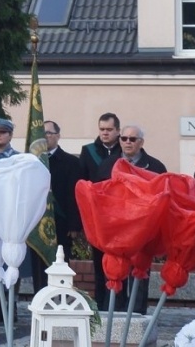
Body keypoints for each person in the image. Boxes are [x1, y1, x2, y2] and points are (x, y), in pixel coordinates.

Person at [95, 126, 165, 316]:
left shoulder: (156, 167)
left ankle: (138, 313)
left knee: (139, 273)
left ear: (141, 142)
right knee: (116, 272)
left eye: (132, 139)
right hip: (117, 230)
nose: (127, 142)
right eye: (124, 138)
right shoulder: (108, 165)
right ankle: (115, 314)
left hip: (143, 230)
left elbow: (163, 198)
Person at [33, 120, 83, 295]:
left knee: (61, 262)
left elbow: (74, 195)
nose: (45, 137)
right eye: (42, 133)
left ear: (58, 136)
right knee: (38, 264)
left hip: (61, 223)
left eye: (49, 133)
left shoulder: (70, 162)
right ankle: (40, 297)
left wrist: (74, 225)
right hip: (37, 222)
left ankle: (60, 296)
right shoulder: (32, 162)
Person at [79, 113, 122, 310]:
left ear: (117, 131)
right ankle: (101, 304)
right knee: (99, 263)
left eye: (109, 130)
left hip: (119, 217)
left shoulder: (125, 151)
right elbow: (82, 184)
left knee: (120, 264)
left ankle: (120, 304)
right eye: (102, 129)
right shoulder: (88, 151)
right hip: (96, 217)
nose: (105, 133)